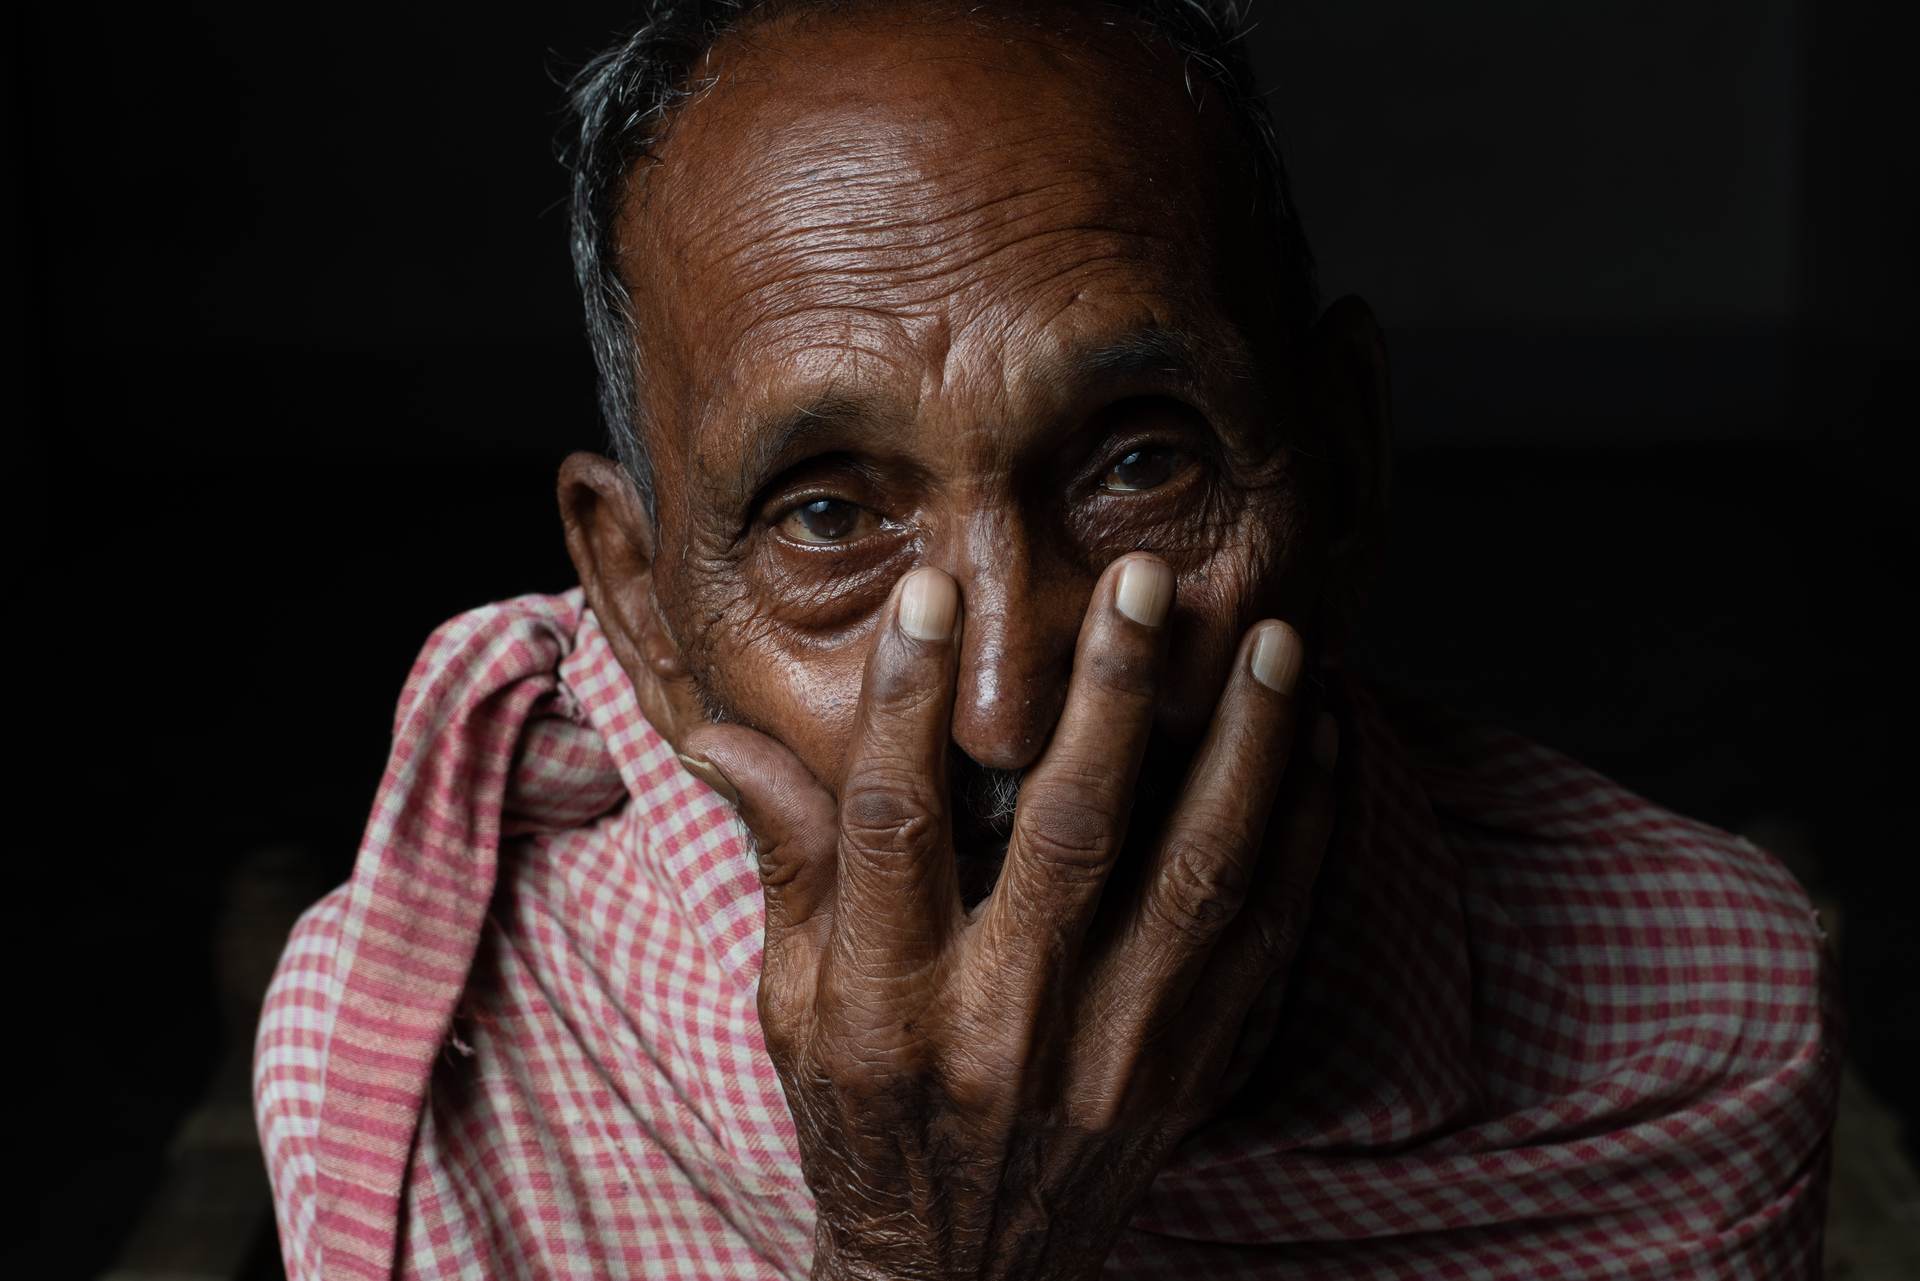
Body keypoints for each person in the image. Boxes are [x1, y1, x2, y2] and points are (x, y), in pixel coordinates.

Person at [254, 2, 1839, 1276]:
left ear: (1342, 469)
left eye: (1140, 463)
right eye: (829, 515)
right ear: (645, 612)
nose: (1006, 710)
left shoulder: (1693, 1030)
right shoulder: (463, 1061)